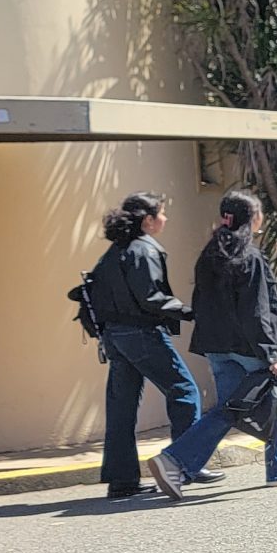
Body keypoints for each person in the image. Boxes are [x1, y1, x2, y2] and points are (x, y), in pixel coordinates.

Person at [148, 191, 277, 498]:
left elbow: (201, 303)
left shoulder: (210, 255)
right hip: (250, 347)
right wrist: (271, 354)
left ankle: (176, 462)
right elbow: (257, 311)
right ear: (252, 218)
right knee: (276, 402)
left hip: (217, 347)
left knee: (229, 409)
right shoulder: (251, 257)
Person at [86, 192, 210, 499]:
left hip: (114, 337)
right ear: (148, 221)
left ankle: (122, 480)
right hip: (141, 334)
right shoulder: (144, 249)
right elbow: (151, 298)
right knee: (184, 391)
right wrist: (191, 312)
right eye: (162, 214)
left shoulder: (115, 251)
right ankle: (184, 462)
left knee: (122, 407)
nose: (165, 219)